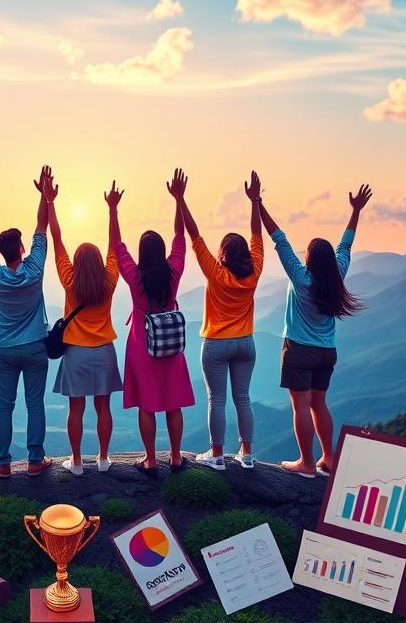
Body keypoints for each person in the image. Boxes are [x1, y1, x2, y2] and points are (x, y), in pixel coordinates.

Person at [259, 184, 373, 478]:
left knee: (301, 407)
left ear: (308, 259)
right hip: (327, 352)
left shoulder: (301, 277)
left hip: (299, 350)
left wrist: (257, 201)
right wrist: (356, 211)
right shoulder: (337, 275)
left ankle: (307, 463)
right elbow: (345, 245)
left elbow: (279, 239)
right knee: (320, 404)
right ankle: (329, 457)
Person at [178, 170, 264, 471]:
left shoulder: (216, 273)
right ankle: (247, 453)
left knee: (217, 399)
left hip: (216, 343)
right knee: (243, 398)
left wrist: (180, 199)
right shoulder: (255, 271)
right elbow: (257, 235)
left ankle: (216, 454)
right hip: (246, 343)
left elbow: (195, 235)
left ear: (223, 254)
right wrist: (255, 201)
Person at [112, 168, 194, 476]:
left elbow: (117, 245)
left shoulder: (134, 277)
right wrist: (178, 199)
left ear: (142, 255)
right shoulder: (173, 271)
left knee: (147, 404)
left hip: (142, 347)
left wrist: (113, 209)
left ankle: (149, 459)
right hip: (171, 345)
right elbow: (179, 238)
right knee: (173, 403)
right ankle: (174, 457)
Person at [0, 167, 54, 479]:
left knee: (4, 406)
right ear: (22, 249)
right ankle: (36, 460)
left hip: (6, 350)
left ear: (0, 253)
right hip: (36, 345)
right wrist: (44, 197)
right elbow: (41, 226)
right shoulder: (34, 268)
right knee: (35, 404)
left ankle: (3, 462)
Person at [46, 174, 122, 475]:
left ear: (76, 264)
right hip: (104, 350)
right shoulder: (110, 281)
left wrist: (50, 202)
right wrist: (112, 209)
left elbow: (57, 239)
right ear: (99, 263)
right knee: (103, 407)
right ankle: (103, 459)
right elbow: (115, 245)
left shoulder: (69, 281)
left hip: (75, 353)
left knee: (75, 408)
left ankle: (76, 462)